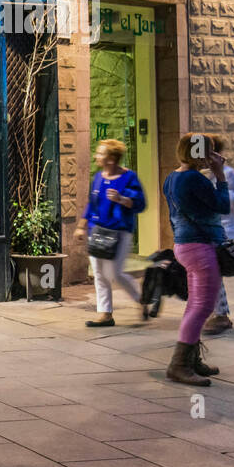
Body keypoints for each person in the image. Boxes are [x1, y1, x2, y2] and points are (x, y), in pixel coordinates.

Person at [161, 132, 230, 385]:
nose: (212, 156)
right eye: (208, 150)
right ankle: (179, 365)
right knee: (203, 307)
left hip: (185, 245)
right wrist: (220, 173)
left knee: (195, 305)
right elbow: (223, 205)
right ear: (199, 152)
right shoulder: (194, 179)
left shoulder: (172, 177)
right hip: (200, 247)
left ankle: (191, 360)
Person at [73, 139, 147, 327]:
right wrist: (82, 225)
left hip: (120, 232)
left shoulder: (129, 177)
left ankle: (141, 299)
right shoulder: (98, 177)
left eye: (100, 153)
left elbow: (140, 204)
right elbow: (92, 203)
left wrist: (122, 199)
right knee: (99, 273)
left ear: (112, 159)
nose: (97, 156)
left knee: (116, 273)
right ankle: (105, 314)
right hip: (97, 231)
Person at [204, 137, 234, 335]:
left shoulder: (230, 175)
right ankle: (218, 313)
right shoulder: (202, 175)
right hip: (208, 229)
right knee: (211, 273)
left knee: (213, 273)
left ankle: (221, 315)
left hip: (225, 230)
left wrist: (227, 196)